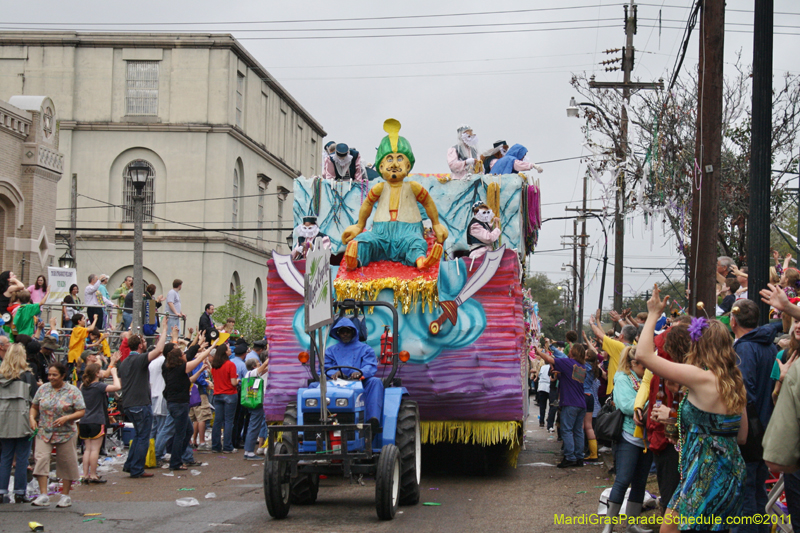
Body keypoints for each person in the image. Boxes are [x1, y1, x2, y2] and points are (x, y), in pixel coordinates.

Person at [637, 285, 747, 533]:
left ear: (699, 345)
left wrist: (653, 313)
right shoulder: (735, 381)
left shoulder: (701, 377)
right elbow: (740, 435)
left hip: (703, 473)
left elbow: (643, 354)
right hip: (731, 470)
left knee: (670, 530)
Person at [341, 119, 448, 271]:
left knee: (416, 243)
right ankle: (355, 261)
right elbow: (367, 204)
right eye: (389, 159)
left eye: (400, 159)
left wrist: (436, 224)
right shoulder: (379, 188)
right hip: (380, 231)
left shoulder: (413, 187)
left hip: (408, 230)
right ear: (381, 166)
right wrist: (359, 226)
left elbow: (428, 203)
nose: (395, 164)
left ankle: (421, 261)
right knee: (365, 240)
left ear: (408, 166)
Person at [729, 299, 783, 533]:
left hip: (750, 431)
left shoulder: (744, 348)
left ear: (733, 320)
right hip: (767, 426)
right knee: (759, 491)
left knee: (745, 494)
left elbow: (743, 392)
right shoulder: (768, 345)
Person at [598, 345, 654, 532]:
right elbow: (627, 406)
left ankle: (632, 524)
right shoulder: (622, 378)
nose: (645, 369)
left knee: (640, 482)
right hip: (628, 437)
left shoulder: (647, 379)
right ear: (632, 364)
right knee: (622, 479)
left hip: (646, 439)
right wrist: (649, 404)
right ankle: (609, 524)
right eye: (642, 366)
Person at [29, 362, 86, 508]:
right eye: (49, 374)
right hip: (44, 430)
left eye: (54, 375)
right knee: (41, 458)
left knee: (66, 461)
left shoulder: (72, 391)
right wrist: (32, 419)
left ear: (62, 376)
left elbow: (81, 411)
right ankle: (43, 495)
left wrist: (67, 418)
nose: (51, 377)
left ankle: (65, 495)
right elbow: (34, 407)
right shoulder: (43, 389)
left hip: (66, 432)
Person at [117, 324, 168, 478]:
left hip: (129, 404)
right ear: (140, 345)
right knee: (143, 437)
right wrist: (165, 330)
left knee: (138, 435)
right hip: (140, 403)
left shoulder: (125, 362)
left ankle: (130, 465)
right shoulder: (138, 359)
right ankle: (137, 468)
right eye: (144, 342)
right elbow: (159, 350)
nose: (146, 344)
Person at [324, 318, 384, 434]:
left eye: (348, 331)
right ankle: (311, 427)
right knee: (313, 387)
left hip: (360, 383)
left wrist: (360, 373)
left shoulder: (365, 349)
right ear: (337, 333)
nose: (345, 334)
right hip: (335, 385)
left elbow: (370, 366)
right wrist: (334, 373)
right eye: (342, 331)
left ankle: (372, 420)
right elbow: (325, 369)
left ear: (354, 332)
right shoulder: (330, 351)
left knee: (375, 382)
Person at [534, 339, 586, 468]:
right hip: (581, 402)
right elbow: (571, 378)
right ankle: (579, 457)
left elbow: (551, 359)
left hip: (570, 402)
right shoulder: (581, 366)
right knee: (578, 431)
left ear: (573, 353)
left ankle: (570, 457)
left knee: (566, 430)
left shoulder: (569, 363)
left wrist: (539, 352)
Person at [162, 343, 212, 471]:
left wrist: (200, 371)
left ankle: (176, 455)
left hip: (175, 404)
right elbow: (199, 359)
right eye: (183, 354)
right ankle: (175, 461)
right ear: (179, 358)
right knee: (180, 434)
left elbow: (189, 381)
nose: (185, 355)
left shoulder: (171, 370)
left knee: (188, 430)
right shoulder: (181, 368)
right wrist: (212, 347)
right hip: (179, 405)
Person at [0, 344, 38, 504]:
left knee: (5, 456)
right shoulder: (28, 376)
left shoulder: (1, 376)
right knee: (22, 457)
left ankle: (1, 491)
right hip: (23, 420)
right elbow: (36, 400)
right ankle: (20, 492)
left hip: (3, 420)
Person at [79, 358, 121, 483]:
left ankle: (85, 474)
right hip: (97, 420)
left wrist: (112, 363)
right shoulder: (99, 386)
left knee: (87, 449)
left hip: (84, 420)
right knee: (95, 450)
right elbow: (117, 386)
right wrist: (114, 374)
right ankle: (93, 474)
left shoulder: (83, 386)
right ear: (96, 374)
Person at [210, 343, 239, 453]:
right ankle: (227, 446)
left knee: (217, 421)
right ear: (225, 352)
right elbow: (233, 382)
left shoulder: (215, 366)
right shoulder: (230, 365)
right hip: (230, 394)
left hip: (217, 394)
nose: (230, 349)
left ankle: (215, 445)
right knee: (228, 421)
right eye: (228, 348)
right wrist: (238, 380)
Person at [242, 357, 269, 460]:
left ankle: (248, 450)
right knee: (253, 427)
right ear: (254, 366)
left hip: (251, 402)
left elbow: (264, 369)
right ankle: (249, 451)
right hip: (256, 403)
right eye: (258, 363)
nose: (260, 364)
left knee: (253, 426)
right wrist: (268, 359)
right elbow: (262, 368)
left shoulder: (249, 374)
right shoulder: (252, 373)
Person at [536, 360, 551, 428]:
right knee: (551, 405)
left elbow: (539, 375)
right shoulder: (551, 367)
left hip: (542, 387)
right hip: (549, 386)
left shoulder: (542, 367)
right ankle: (549, 418)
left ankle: (541, 421)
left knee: (542, 406)